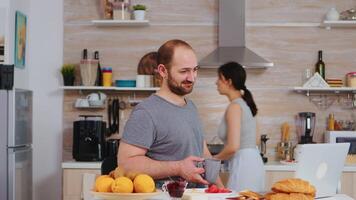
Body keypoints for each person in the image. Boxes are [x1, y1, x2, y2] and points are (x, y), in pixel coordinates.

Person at [118, 39, 222, 187]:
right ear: (162, 71)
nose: (192, 78)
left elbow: (203, 153)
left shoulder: (191, 107)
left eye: (195, 69)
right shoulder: (146, 112)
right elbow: (126, 164)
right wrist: (178, 168)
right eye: (184, 71)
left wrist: (223, 191)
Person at [213, 61, 265, 192]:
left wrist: (212, 160)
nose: (216, 82)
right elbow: (256, 140)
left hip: (244, 165)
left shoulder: (235, 107)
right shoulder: (246, 104)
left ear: (228, 81)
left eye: (219, 78)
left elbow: (233, 147)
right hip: (254, 162)